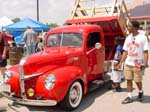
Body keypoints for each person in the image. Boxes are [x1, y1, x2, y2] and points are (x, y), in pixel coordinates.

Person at [116, 21, 149, 104]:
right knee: (128, 80)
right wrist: (120, 63)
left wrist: (145, 63)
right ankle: (129, 96)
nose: (127, 27)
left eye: (129, 26)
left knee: (137, 81)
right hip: (128, 63)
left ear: (134, 27)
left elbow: (145, 52)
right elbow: (125, 52)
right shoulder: (128, 38)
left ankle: (140, 91)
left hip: (138, 63)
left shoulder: (142, 37)